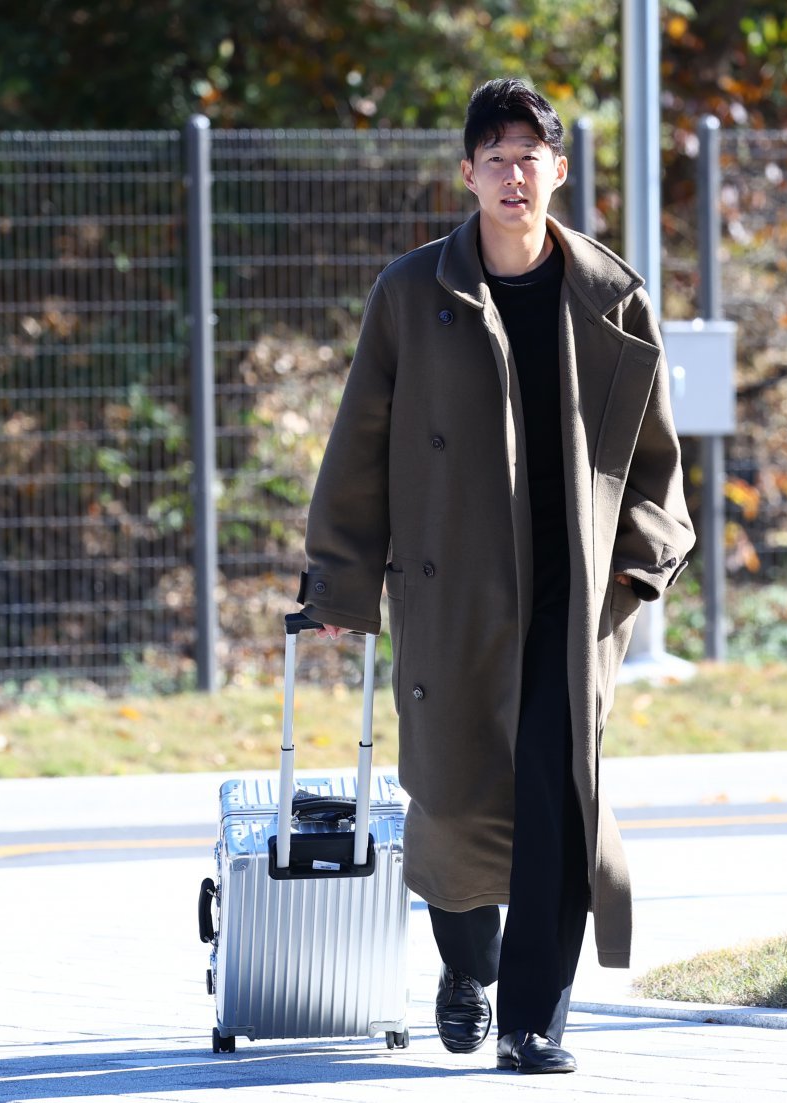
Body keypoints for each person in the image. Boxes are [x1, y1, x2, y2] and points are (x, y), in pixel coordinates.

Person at [297, 77, 694, 1074]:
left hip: (573, 594)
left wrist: (638, 568)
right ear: (467, 174)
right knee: (457, 797)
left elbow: (655, 458)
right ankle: (466, 964)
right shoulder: (410, 292)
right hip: (452, 584)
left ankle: (533, 1022)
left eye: (531, 158)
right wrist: (339, 582)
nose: (514, 176)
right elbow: (359, 444)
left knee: (558, 798)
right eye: (496, 158)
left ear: (558, 171)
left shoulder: (612, 295)